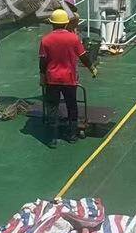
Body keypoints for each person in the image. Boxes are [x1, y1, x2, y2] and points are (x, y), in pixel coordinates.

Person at [39, 9, 97, 148]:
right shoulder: (73, 38)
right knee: (72, 106)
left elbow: (43, 61)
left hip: (52, 79)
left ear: (52, 24)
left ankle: (52, 138)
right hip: (69, 79)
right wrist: (92, 68)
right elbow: (83, 56)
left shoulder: (45, 40)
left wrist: (42, 77)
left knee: (52, 107)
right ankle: (72, 135)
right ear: (66, 23)